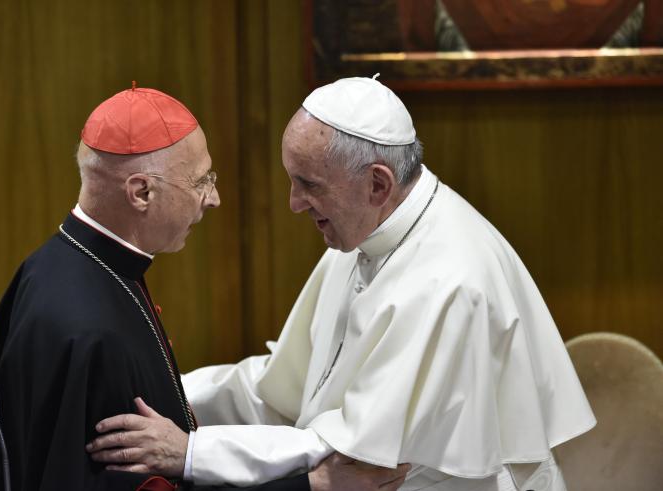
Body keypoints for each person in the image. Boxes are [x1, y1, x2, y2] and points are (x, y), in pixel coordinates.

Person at [87, 76, 597, 491]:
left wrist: (191, 452)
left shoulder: (448, 281)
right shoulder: (366, 233)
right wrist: (165, 390)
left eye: (308, 185)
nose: (293, 204)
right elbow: (284, 391)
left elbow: (347, 455)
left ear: (377, 183)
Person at [0, 84, 409, 491]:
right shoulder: (90, 331)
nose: (213, 199)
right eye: (201, 182)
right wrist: (314, 486)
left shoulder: (51, 267)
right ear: (141, 193)